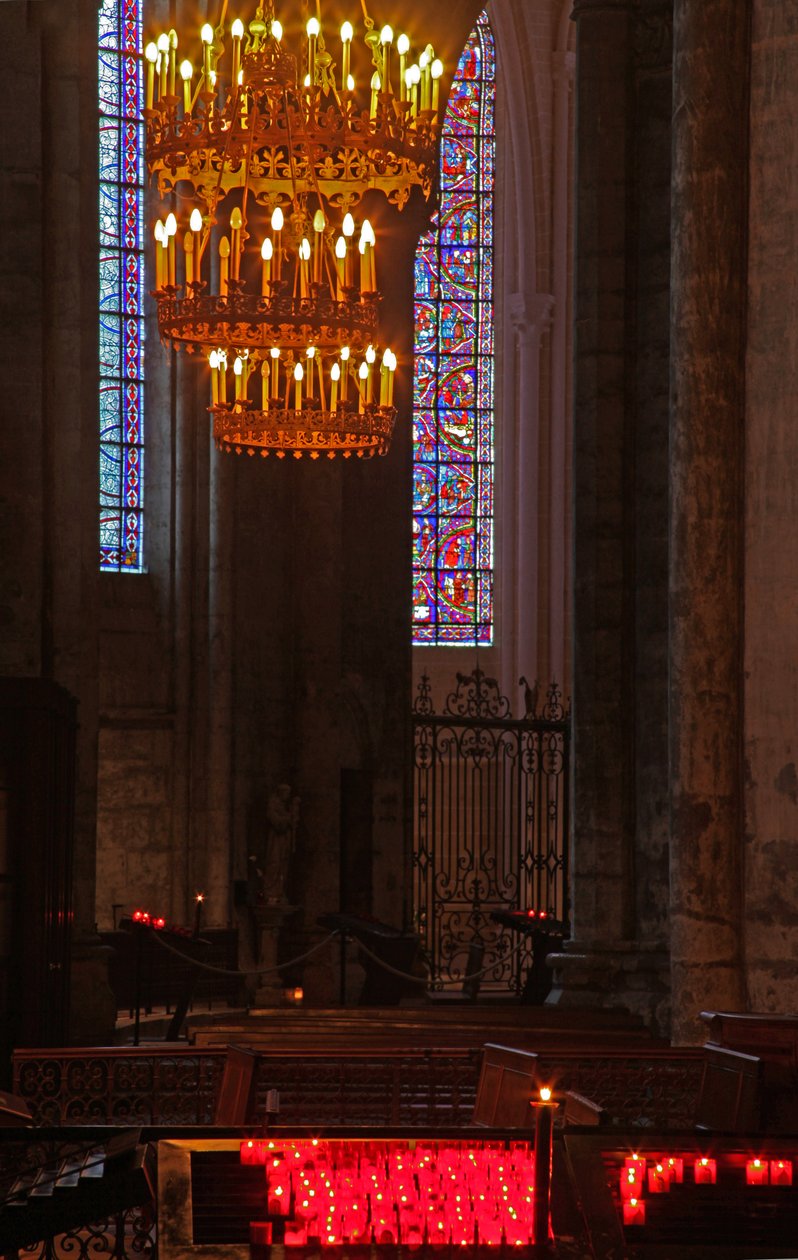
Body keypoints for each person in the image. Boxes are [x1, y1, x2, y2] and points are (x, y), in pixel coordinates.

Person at [250, 783, 299, 905]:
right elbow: (277, 822)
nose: (287, 796)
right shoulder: (273, 804)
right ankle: (270, 892)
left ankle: (279, 891)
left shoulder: (285, 806)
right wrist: (288, 818)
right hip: (275, 842)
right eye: (285, 793)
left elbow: (292, 823)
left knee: (282, 866)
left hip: (284, 842)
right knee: (274, 864)